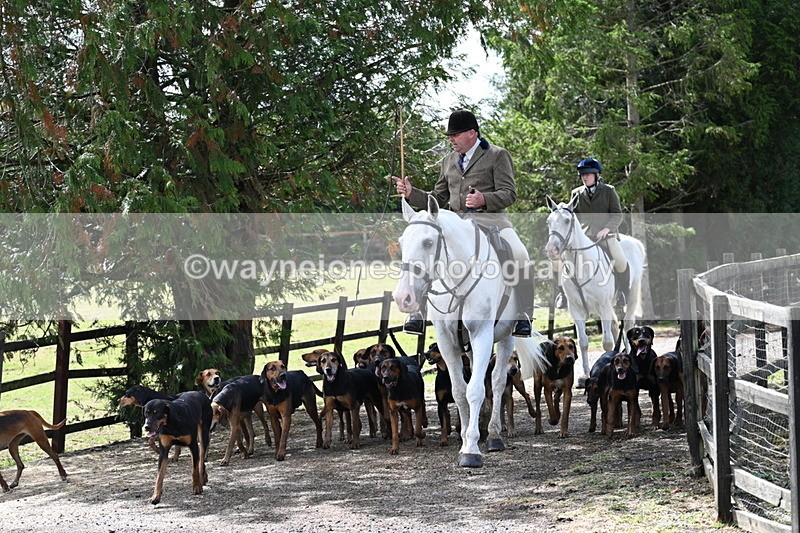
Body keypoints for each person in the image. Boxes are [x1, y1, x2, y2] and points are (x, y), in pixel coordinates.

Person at [392, 109, 534, 337]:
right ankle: (418, 313)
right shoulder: (448, 160)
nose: (451, 139)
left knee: (520, 254)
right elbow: (438, 198)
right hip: (457, 226)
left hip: (492, 222)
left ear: (471, 133)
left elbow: (509, 194)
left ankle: (523, 315)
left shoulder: (497, 155)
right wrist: (411, 193)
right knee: (429, 255)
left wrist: (483, 199)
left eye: (455, 134)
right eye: (450, 135)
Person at [555, 157, 629, 308]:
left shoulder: (609, 191)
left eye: (588, 174)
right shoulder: (576, 193)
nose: (584, 177)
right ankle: (562, 293)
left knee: (620, 261)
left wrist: (607, 229)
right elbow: (573, 216)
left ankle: (622, 292)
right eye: (582, 174)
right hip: (583, 236)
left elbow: (617, 214)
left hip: (606, 235)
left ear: (597, 175)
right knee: (558, 260)